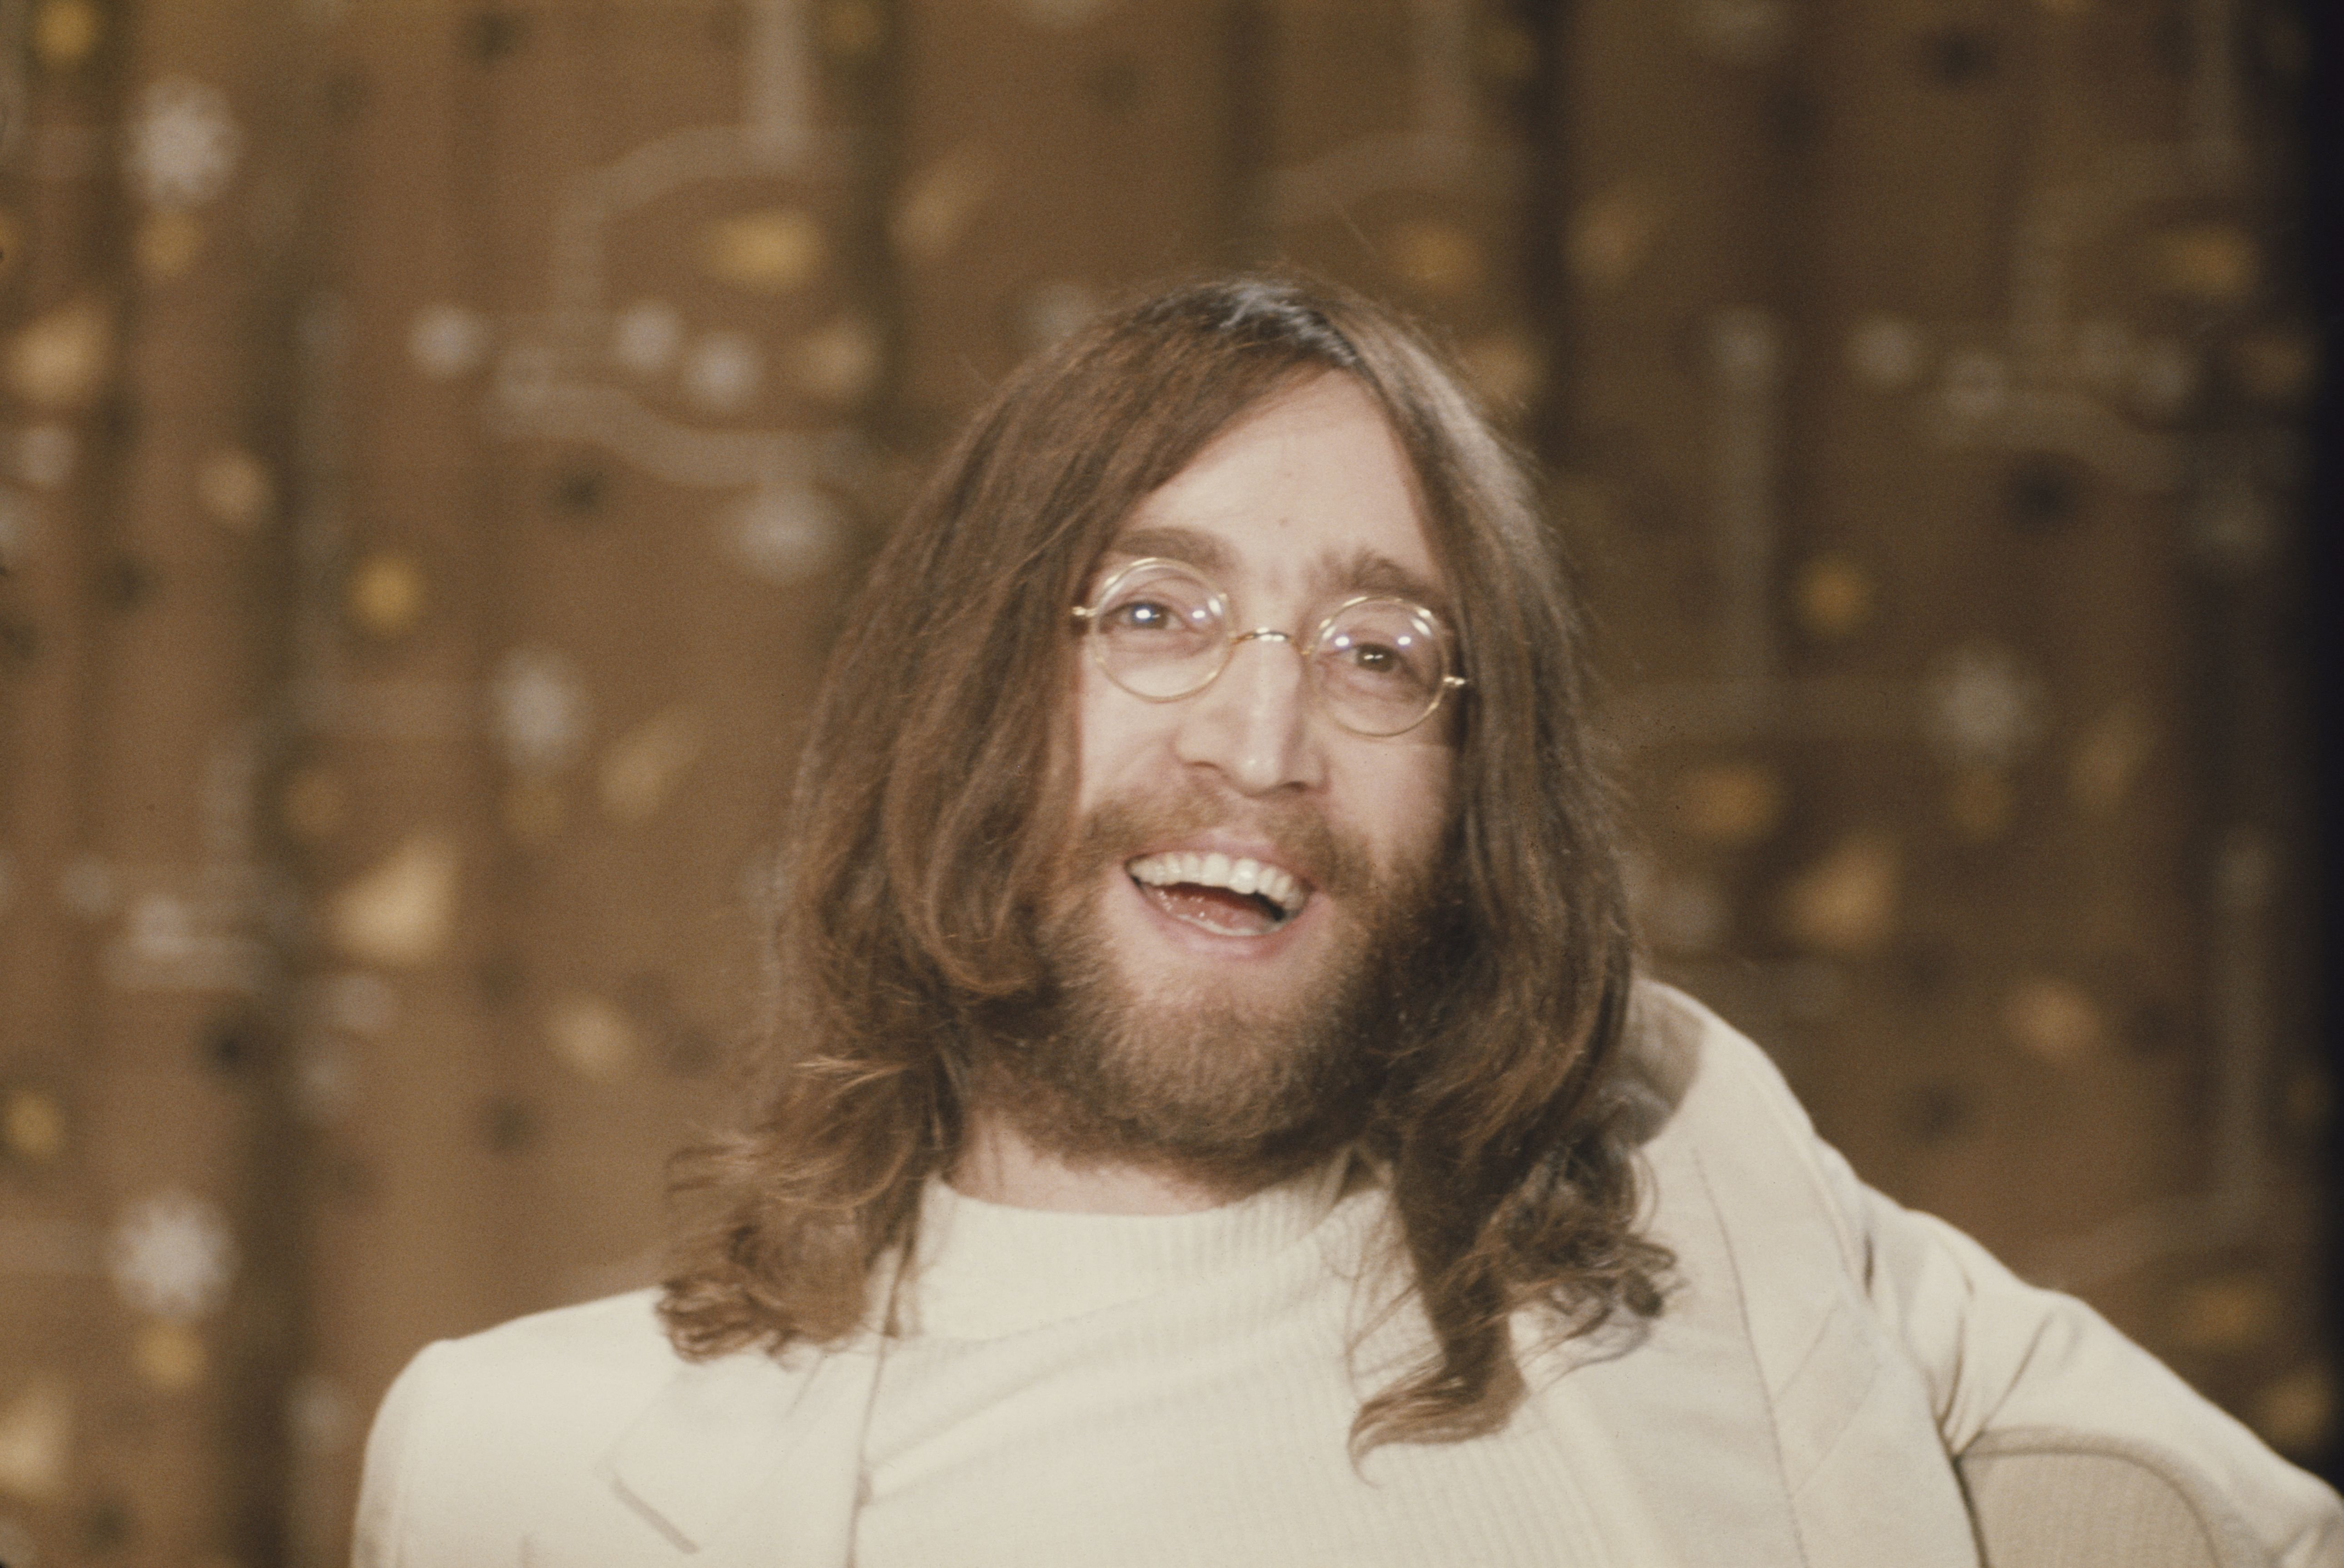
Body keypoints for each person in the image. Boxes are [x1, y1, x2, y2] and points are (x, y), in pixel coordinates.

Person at [352, 277, 2342, 1567]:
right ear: (965, 688)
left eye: (1386, 652)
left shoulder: (1683, 1160)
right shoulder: (522, 1469)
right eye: (1153, 612)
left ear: (1478, 791)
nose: (1264, 731)